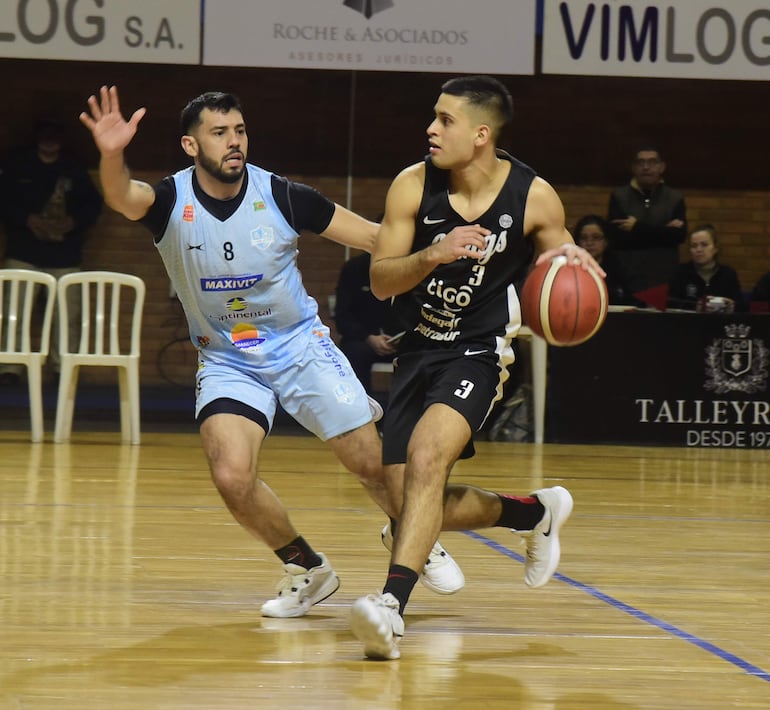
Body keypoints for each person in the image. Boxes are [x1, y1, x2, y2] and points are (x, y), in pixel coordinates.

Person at [79, 85, 464, 619]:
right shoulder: (171, 200)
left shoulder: (284, 195)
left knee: (371, 463)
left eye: (239, 130)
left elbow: (377, 238)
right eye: (219, 133)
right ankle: (307, 567)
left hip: (299, 347)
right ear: (191, 146)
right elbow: (122, 196)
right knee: (232, 475)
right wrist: (112, 152)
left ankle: (413, 531)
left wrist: (437, 250)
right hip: (228, 359)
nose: (234, 142)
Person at [349, 75, 603, 660]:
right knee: (411, 496)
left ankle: (390, 608)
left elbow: (561, 265)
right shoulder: (412, 186)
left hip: (480, 350)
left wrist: (576, 266)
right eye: (432, 118)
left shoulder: (534, 197)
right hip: (418, 347)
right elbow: (381, 279)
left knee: (427, 458)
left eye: (445, 120)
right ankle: (534, 512)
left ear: (481, 133)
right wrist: (434, 253)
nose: (431, 129)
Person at [0, 118, 102, 384]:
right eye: (45, 134)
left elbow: (93, 205)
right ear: (37, 137)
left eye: (55, 134)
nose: (50, 140)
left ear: (62, 139)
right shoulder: (17, 164)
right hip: (23, 251)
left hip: (64, 254)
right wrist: (26, 219)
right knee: (14, 312)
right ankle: (11, 368)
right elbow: (4, 200)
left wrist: (73, 222)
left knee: (68, 314)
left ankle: (62, 369)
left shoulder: (74, 168)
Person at [607, 147, 687, 294]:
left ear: (661, 167)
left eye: (652, 162)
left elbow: (679, 236)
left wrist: (636, 227)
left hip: (664, 278)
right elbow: (618, 238)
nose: (646, 167)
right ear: (633, 167)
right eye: (640, 162)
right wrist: (663, 231)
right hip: (627, 278)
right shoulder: (619, 197)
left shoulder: (675, 198)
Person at [667, 224, 743, 311]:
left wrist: (732, 307)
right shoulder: (680, 272)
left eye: (704, 245)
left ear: (715, 248)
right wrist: (695, 307)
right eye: (694, 246)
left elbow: (742, 306)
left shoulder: (728, 274)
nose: (698, 250)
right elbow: (671, 304)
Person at [574, 214, 644, 307]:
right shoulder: (572, 267)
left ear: (606, 241)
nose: (589, 243)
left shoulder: (619, 267)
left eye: (596, 237)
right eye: (584, 238)